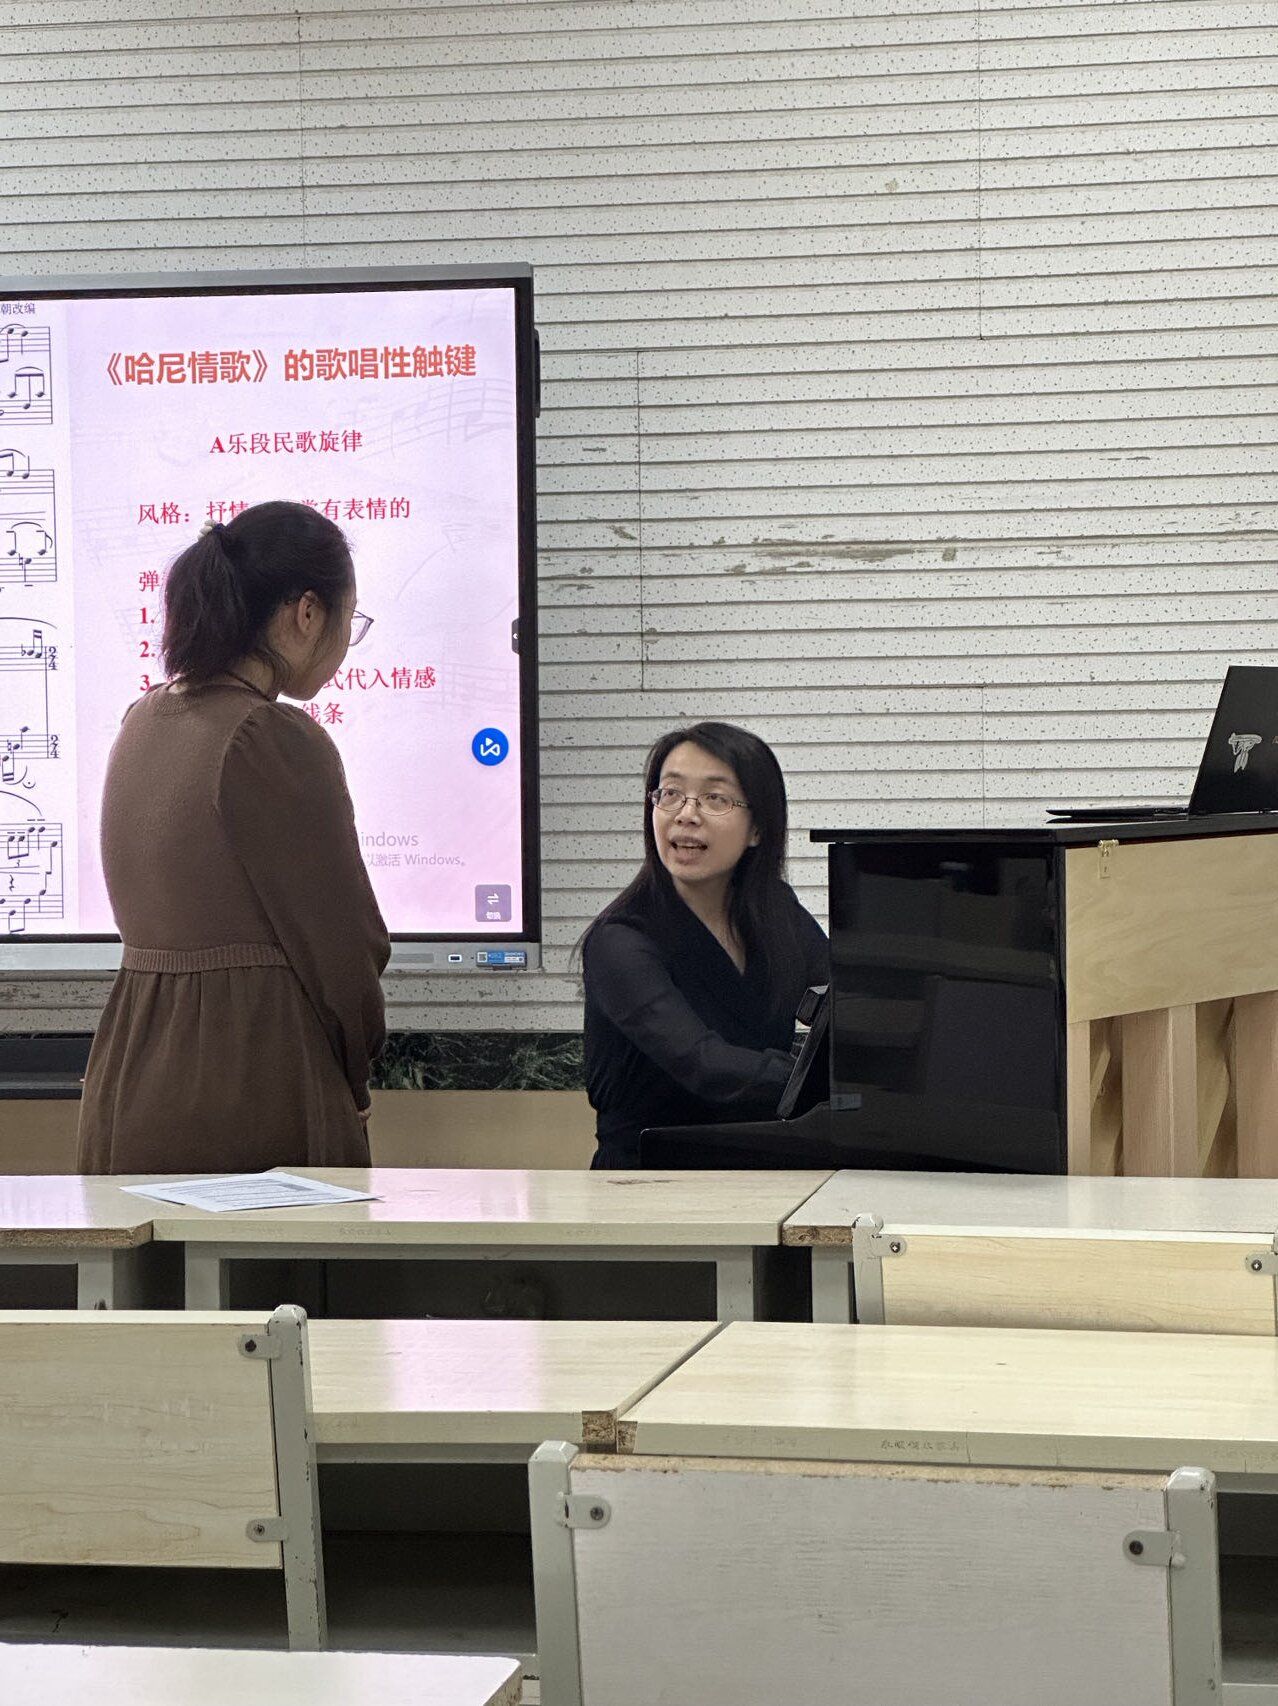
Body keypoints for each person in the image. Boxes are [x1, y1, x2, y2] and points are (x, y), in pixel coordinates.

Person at [78, 501, 390, 1175]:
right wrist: (355, 1080)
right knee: (277, 1253)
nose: (345, 642)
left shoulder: (142, 718)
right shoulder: (269, 737)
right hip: (251, 1078)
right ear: (307, 612)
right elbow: (344, 948)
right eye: (350, 619)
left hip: (130, 1077)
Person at [581, 721, 827, 1167]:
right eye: (671, 793)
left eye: (715, 798)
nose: (686, 814)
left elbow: (852, 995)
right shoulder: (620, 940)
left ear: (758, 829)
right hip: (646, 1183)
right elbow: (703, 1063)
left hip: (763, 1170)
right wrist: (825, 1084)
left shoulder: (776, 911)